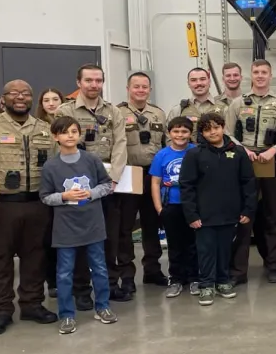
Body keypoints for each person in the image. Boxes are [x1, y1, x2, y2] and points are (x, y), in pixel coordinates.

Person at [0, 80, 57, 336]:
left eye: (26, 93)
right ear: (3, 99)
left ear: (32, 99)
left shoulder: (44, 129)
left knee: (35, 257)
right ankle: (1, 311)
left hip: (37, 205)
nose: (20, 97)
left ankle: (32, 304)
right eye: (14, 93)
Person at [56, 65, 128, 312]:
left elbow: (120, 144)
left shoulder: (114, 111)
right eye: (88, 80)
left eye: (98, 80)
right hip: (77, 187)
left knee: (108, 238)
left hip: (107, 185)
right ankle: (81, 290)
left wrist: (114, 179)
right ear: (79, 82)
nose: (93, 85)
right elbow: (61, 146)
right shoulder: (65, 110)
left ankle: (108, 284)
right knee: (78, 240)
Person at [40, 116, 118, 334]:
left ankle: (102, 306)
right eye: (65, 132)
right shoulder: (50, 167)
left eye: (74, 131)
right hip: (65, 228)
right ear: (56, 137)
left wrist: (92, 193)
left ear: (79, 134)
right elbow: (45, 197)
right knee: (65, 272)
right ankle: (66, 314)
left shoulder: (91, 160)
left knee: (100, 268)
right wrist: (63, 196)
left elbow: (106, 185)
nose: (70, 135)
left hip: (92, 224)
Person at [179, 113, 256, 307]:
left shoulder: (238, 153)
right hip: (204, 216)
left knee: (224, 249)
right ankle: (206, 284)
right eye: (207, 129)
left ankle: (222, 281)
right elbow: (186, 186)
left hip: (230, 213)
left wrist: (248, 209)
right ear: (202, 133)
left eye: (216, 127)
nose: (213, 132)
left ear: (223, 128)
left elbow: (248, 183)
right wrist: (191, 215)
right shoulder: (194, 154)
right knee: (205, 250)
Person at [225, 59, 276, 285]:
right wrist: (243, 150)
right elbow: (227, 134)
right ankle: (238, 271)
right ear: (250, 76)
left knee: (272, 216)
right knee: (243, 217)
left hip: (271, 162)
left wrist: (273, 150)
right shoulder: (237, 104)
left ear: (271, 76)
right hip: (244, 164)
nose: (260, 75)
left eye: (264, 72)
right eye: (256, 72)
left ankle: (274, 265)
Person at [116, 72, 169, 295]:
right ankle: (127, 275)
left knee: (152, 224)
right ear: (128, 88)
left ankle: (152, 270)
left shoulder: (158, 113)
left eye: (144, 87)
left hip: (153, 174)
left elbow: (166, 144)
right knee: (125, 227)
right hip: (128, 174)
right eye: (136, 86)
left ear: (149, 89)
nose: (140, 90)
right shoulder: (117, 112)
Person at [150, 117, 198, 298]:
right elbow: (155, 183)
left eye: (184, 131)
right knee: (175, 245)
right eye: (176, 131)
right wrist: (159, 208)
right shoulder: (162, 155)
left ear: (190, 133)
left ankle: (195, 278)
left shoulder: (196, 152)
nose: (180, 135)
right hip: (171, 205)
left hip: (193, 206)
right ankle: (176, 279)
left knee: (193, 244)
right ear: (169, 133)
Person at [35, 87, 64, 298]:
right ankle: (52, 280)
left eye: (55, 99)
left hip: (69, 186)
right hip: (46, 187)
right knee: (48, 238)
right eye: (47, 100)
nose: (51, 103)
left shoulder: (70, 125)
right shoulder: (37, 126)